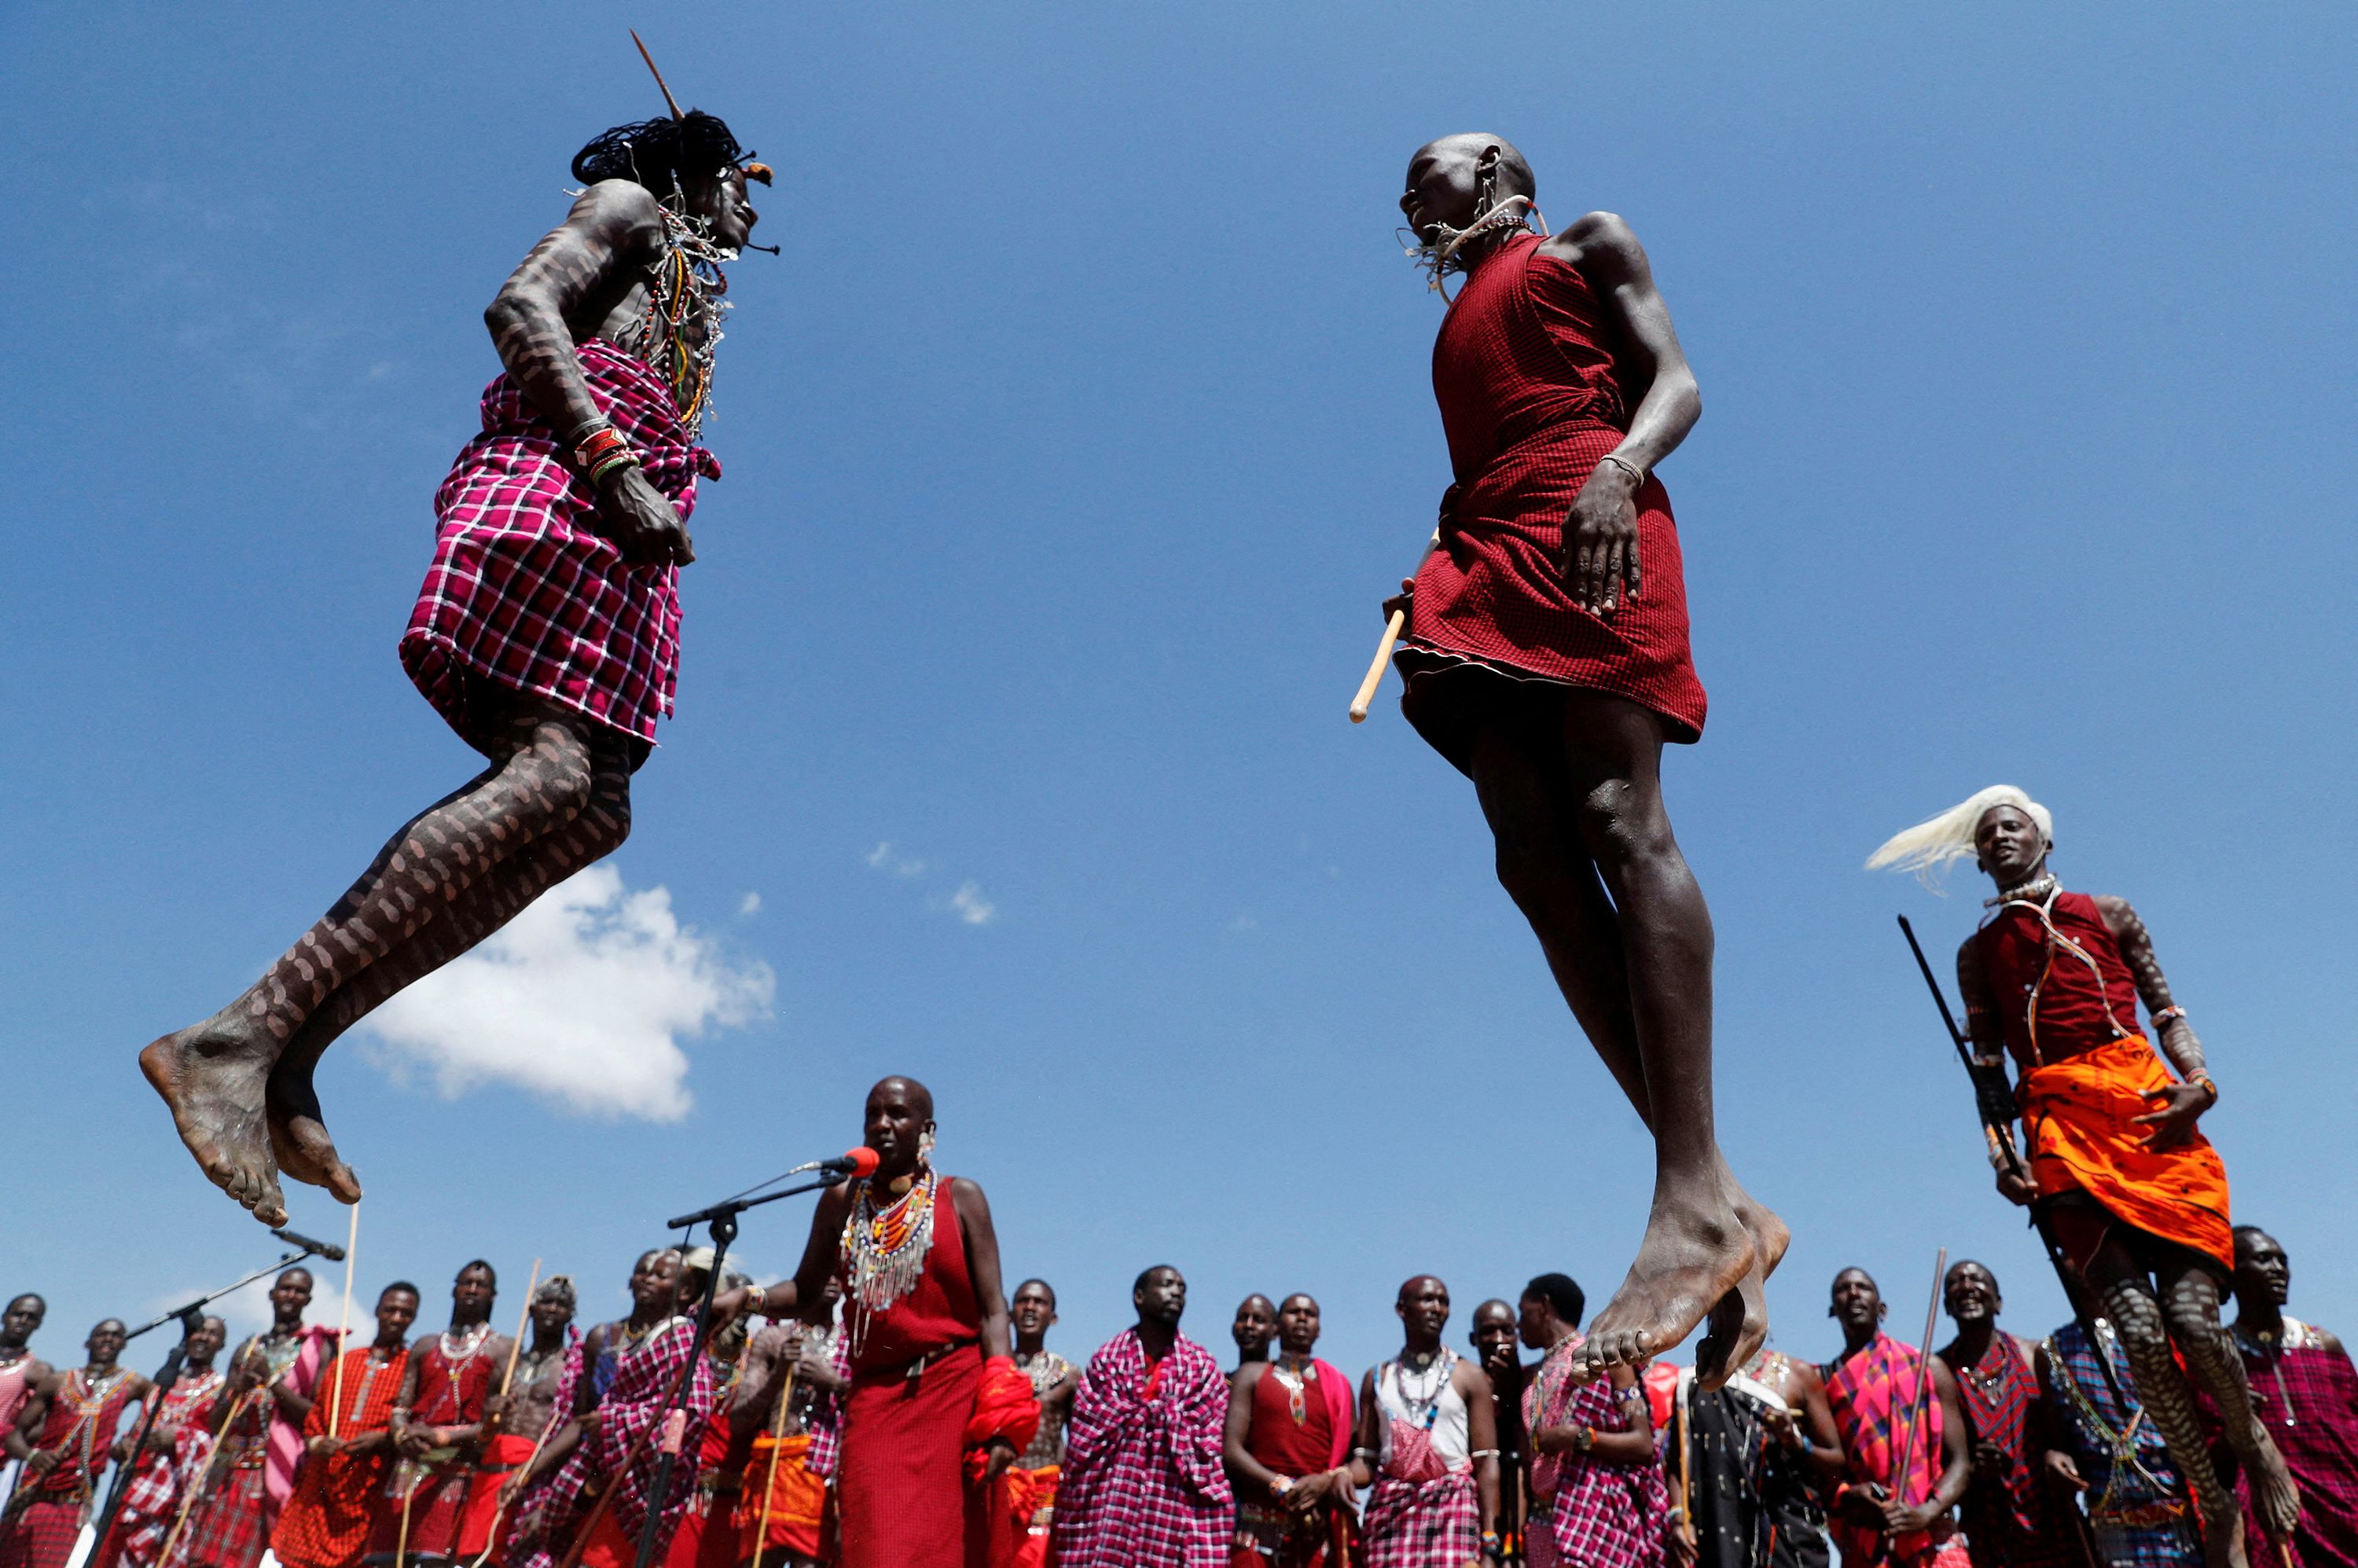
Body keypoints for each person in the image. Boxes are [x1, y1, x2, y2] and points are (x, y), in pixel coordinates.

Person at [138, 99, 771, 1231]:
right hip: (566, 479)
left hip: (623, 531)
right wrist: (612, 461)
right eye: (741, 180)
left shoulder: (687, 303)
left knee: (594, 809)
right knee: (553, 772)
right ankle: (230, 1035)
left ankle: (288, 1053)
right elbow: (521, 305)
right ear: (698, 169)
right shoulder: (627, 209)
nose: (748, 206)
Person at [1382, 132, 1779, 1386]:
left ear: (1497, 164)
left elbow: (1678, 383)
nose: (1407, 188)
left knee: (1620, 815)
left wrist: (1620, 468)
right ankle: (1717, 1200)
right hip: (1488, 539)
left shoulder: (1584, 240)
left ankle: (1686, 1201)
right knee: (1531, 859)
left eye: (1426, 163)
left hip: (1592, 508)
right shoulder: (1449, 325)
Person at [1871, 786, 2301, 1563]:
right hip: (2060, 1130)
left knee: (2197, 1322)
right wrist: (2002, 1155)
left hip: (2148, 1114)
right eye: (1987, 833)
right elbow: (1988, 1070)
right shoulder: (1977, 954)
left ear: (2045, 840)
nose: (2000, 837)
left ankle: (2253, 1440)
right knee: (2137, 1330)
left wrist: (2200, 1084)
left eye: (2014, 825)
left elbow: (2168, 1013)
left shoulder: (2109, 913)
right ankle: (2209, 1494)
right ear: (1977, 856)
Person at [737, 1076, 1037, 1568]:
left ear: (927, 1129)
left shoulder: (961, 1198)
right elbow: (807, 1289)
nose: (881, 1124)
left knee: (959, 1549)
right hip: (875, 1402)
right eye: (872, 1115)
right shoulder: (841, 1202)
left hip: (955, 1396)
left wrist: (1002, 1415)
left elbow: (992, 1310)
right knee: (876, 1546)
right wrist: (747, 1298)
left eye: (896, 1114)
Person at [510, 1252, 719, 1568]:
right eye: (642, 1272)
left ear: (685, 1292)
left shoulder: (681, 1340)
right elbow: (582, 1421)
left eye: (660, 1276)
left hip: (638, 1484)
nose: (647, 1279)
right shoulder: (601, 1338)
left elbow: (692, 1413)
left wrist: (612, 1420)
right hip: (585, 1476)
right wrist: (527, 1474)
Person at [1051, 1267, 1234, 1568]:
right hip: (1108, 1508)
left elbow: (1210, 1443)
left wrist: (1164, 1420)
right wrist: (1143, 1418)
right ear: (1139, 1297)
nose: (1177, 1293)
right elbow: (1086, 1437)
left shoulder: (1201, 1367)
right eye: (1167, 1285)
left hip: (1175, 1510)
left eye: (1182, 1288)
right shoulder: (1108, 1360)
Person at [173, 1269, 339, 1568]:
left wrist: (272, 1381)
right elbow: (214, 1423)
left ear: (308, 1299)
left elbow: (317, 1416)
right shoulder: (248, 1347)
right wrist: (238, 1387)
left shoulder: (316, 1348)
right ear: (272, 1294)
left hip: (269, 1470)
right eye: (285, 1289)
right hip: (225, 1468)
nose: (291, 1295)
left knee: (238, 1560)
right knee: (199, 1559)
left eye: (299, 1291)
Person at [2217, 1226, 2358, 1566]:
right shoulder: (2219, 1357)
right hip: (2274, 1519)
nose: (2279, 1269)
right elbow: (2210, 1455)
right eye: (2263, 1260)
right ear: (2232, 1274)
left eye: (2283, 1261)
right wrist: (2235, 1418)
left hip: (2346, 1508)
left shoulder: (2323, 1345)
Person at [2037, 1285, 2202, 1568]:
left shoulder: (2159, 1332)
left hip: (2182, 1524)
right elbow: (2058, 1437)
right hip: (2114, 1531)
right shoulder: (2053, 1350)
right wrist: (2055, 1455)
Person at [1934, 1261, 2087, 1568]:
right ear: (1947, 1308)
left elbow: (2070, 1436)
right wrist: (1975, 1469)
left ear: (1999, 1302)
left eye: (1976, 1279)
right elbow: (1941, 1460)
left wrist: (2055, 1456)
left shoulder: (2036, 1356)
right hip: (1989, 1532)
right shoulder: (1939, 1374)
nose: (1965, 1286)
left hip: (2053, 1522)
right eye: (1954, 1282)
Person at [1819, 1269, 1968, 1568]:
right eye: (1843, 1289)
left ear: (1882, 1308)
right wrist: (1850, 1494)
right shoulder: (1822, 1381)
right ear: (1833, 1310)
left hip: (1932, 1536)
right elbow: (1825, 1473)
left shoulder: (1927, 1366)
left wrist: (1926, 1512)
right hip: (1867, 1539)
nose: (1853, 1293)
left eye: (1863, 1287)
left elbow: (1961, 1462)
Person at [1516, 1273, 1667, 1567]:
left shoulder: (1606, 1358)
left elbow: (1643, 1443)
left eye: (1523, 1313)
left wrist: (1577, 1437)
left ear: (1544, 1307)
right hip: (1543, 1529)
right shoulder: (1530, 1376)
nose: (1519, 1326)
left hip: (1597, 1519)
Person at [1351, 1277, 1498, 1568]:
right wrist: (1340, 1475)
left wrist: (1490, 1540)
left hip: (1452, 1511)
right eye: (1427, 1300)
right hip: (1389, 1516)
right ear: (1401, 1309)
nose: (1436, 1308)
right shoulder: (1377, 1379)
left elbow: (1487, 1462)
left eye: (1443, 1302)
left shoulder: (1470, 1376)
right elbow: (1365, 1462)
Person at [271, 1281, 420, 1568]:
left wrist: (380, 1439)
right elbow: (316, 1419)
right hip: (321, 1482)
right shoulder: (346, 1361)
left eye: (405, 1313)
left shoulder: (410, 1368)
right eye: (391, 1310)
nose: (397, 1318)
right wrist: (318, 1443)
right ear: (378, 1310)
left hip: (365, 1487)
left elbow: (410, 1425)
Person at [376, 1261, 511, 1564]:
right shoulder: (425, 1345)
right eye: (466, 1283)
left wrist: (438, 1436)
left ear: (493, 1296)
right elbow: (400, 1407)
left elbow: (493, 1426)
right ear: (454, 1289)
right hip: (407, 1471)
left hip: (457, 1475)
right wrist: (401, 1433)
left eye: (482, 1285)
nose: (473, 1289)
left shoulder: (502, 1349)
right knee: (386, 1561)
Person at [1666, 1344, 1842, 1568]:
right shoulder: (1693, 1382)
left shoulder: (1798, 1376)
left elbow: (1836, 1463)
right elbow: (1677, 1460)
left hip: (1786, 1543)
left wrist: (1797, 1443)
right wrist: (1679, 1518)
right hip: (1716, 1543)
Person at [0, 1320, 152, 1568]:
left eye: (116, 1336)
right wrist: (34, 1456)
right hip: (33, 1493)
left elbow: (160, 1406)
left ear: (124, 1344)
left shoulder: (133, 1384)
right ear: (87, 1342)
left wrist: (129, 1441)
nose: (108, 1340)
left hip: (74, 1502)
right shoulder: (58, 1381)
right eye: (102, 1334)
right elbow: (15, 1438)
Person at [1225, 1294, 1353, 1567]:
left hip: (1315, 1530)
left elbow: (1354, 1459)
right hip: (1256, 1527)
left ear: (1319, 1328)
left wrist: (1326, 1481)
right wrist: (1281, 1485)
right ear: (1276, 1327)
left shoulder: (1339, 1385)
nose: (1303, 1318)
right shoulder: (1251, 1374)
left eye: (1311, 1314)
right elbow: (1231, 1450)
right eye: (1294, 1312)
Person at [91, 1315, 229, 1568]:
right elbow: (137, 1429)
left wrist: (179, 1437)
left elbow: (216, 1442)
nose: (203, 1338)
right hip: (137, 1490)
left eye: (212, 1334)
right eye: (199, 1331)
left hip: (178, 1499)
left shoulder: (220, 1388)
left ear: (221, 1344)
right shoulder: (163, 1382)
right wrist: (124, 1446)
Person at [460, 1274, 578, 1566]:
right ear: (531, 1309)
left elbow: (574, 1431)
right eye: (546, 1302)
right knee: (475, 1560)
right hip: (489, 1475)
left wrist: (527, 1473)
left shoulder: (571, 1368)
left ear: (571, 1315)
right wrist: (490, 1417)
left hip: (534, 1479)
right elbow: (480, 1433)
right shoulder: (506, 1364)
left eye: (561, 1305)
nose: (552, 1309)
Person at [732, 1293, 848, 1568]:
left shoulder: (853, 1340)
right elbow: (739, 1421)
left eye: (838, 1272)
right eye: (824, 1268)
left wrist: (836, 1385)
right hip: (775, 1473)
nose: (832, 1278)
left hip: (824, 1474)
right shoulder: (773, 1339)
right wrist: (779, 1373)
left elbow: (876, 1406)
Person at [988, 1281, 1075, 1568]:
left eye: (1039, 1303)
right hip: (998, 1483)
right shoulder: (993, 1368)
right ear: (1010, 1314)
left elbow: (1078, 1442)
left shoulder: (1069, 1376)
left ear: (1053, 1317)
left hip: (1046, 1488)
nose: (1030, 1308)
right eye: (1023, 1301)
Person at [1468, 1301, 1529, 1555]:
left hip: (1526, 1510)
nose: (1498, 1339)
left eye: (1507, 1331)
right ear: (1474, 1339)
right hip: (1474, 1508)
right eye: (1489, 1331)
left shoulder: (1531, 1383)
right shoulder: (1463, 1386)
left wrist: (1513, 1391)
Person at [1230, 1301, 1278, 1389]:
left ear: (1275, 1332)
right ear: (1233, 1330)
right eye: (1243, 1319)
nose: (1248, 1325)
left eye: (1258, 1320)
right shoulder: (1219, 1385)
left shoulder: (1284, 1384)